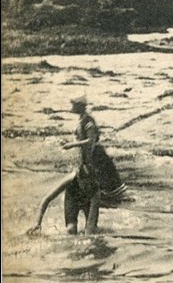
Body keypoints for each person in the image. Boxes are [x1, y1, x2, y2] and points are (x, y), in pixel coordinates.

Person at [28, 97, 119, 235]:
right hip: (73, 199)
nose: (87, 185)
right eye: (85, 181)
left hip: (88, 199)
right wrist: (37, 223)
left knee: (92, 232)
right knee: (71, 231)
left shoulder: (95, 192)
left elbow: (89, 230)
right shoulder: (72, 179)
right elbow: (46, 199)